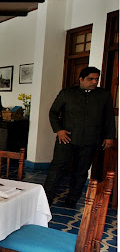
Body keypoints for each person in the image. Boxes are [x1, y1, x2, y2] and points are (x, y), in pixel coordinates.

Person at [43, 66, 115, 208]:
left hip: (90, 140)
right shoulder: (67, 93)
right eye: (90, 79)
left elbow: (109, 117)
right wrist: (59, 130)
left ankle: (72, 200)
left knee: (81, 171)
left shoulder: (104, 96)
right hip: (66, 139)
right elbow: (53, 113)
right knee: (57, 168)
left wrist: (109, 136)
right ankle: (46, 198)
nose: (94, 82)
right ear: (81, 79)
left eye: (96, 79)